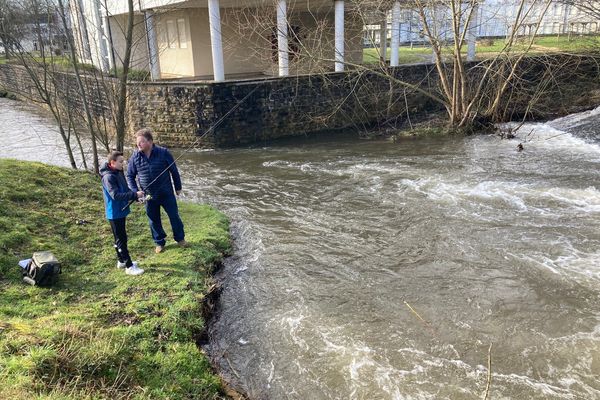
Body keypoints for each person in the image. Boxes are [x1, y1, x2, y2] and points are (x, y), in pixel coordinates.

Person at [127, 128, 188, 254]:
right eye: (137, 142)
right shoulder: (135, 156)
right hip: (149, 195)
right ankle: (159, 242)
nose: (138, 145)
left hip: (166, 193)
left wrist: (178, 187)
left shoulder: (163, 152)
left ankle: (180, 239)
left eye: (141, 142)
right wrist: (135, 192)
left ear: (150, 141)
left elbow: (174, 171)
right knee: (153, 220)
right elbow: (130, 176)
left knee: (174, 216)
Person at [100, 151, 145, 276]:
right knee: (121, 239)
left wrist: (136, 197)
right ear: (112, 162)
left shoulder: (117, 173)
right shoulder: (108, 177)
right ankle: (129, 266)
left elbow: (125, 190)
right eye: (120, 161)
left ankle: (121, 261)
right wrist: (134, 194)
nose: (123, 164)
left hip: (120, 210)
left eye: (123, 161)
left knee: (119, 237)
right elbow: (115, 195)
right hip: (114, 212)